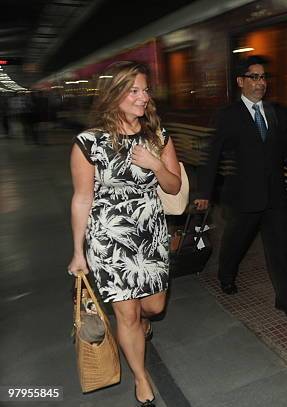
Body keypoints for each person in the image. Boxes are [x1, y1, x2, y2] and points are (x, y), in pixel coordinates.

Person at [67, 61, 181, 407]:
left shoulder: (158, 137)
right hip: (109, 239)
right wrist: (78, 250)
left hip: (150, 235)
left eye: (145, 90)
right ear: (114, 94)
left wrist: (156, 164)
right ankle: (142, 378)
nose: (143, 97)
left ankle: (141, 327)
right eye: (134, 91)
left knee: (154, 307)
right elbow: (82, 197)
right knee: (126, 315)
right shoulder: (89, 143)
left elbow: (174, 187)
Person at [194, 55, 287, 320]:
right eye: (254, 77)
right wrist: (204, 192)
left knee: (280, 250)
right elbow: (212, 155)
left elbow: (283, 146)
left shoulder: (275, 112)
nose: (261, 83)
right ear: (241, 81)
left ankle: (285, 301)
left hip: (275, 196)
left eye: (263, 77)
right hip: (244, 197)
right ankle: (226, 275)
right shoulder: (228, 116)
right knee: (235, 242)